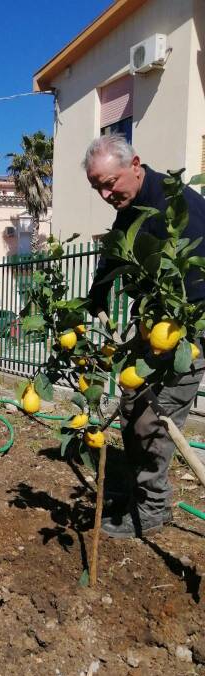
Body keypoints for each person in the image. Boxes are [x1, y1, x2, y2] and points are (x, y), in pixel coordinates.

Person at [84, 134, 205, 538]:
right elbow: (114, 255)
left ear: (135, 164)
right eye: (96, 186)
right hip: (153, 330)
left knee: (154, 419)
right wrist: (96, 295)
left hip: (185, 337)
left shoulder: (178, 205)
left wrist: (181, 333)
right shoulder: (131, 206)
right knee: (133, 405)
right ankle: (139, 492)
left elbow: (199, 280)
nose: (105, 193)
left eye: (109, 181)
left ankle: (153, 509)